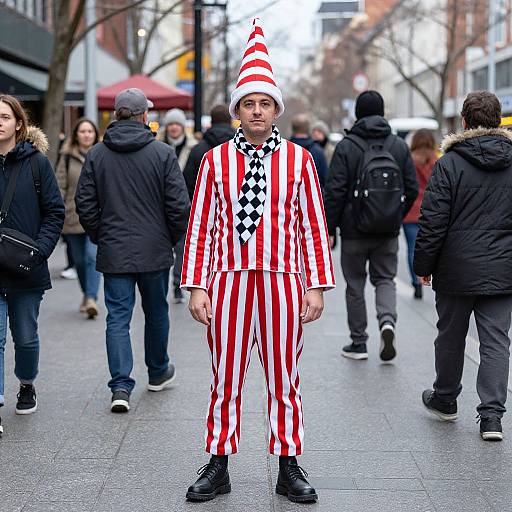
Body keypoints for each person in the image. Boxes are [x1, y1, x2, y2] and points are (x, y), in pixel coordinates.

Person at [182, 19, 335, 504]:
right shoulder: (214, 161)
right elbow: (201, 225)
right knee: (224, 374)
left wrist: (315, 285)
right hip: (227, 281)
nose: (255, 111)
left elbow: (312, 224)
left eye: (264, 103)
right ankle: (218, 462)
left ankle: (288, 463)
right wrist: (198, 285)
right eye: (247, 103)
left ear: (276, 110)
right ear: (237, 111)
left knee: (283, 375)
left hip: (283, 281)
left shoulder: (299, 159)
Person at [75, 88, 190, 413]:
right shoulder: (163, 154)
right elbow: (179, 206)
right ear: (144, 116)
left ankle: (121, 386)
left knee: (118, 318)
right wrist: (169, 238)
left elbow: (85, 203)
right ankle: (157, 371)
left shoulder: (97, 154)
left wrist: (101, 234)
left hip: (114, 249)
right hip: (154, 249)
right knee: (156, 313)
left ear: (116, 115)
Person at [414, 91, 512, 442]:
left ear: (465, 122)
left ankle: (445, 399)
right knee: (497, 341)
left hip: (456, 268)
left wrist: (423, 264)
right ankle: (492, 418)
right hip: (503, 269)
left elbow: (434, 220)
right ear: (499, 121)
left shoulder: (449, 164)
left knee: (451, 337)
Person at [324, 90, 418, 362]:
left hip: (353, 231)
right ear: (382, 112)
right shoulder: (398, 146)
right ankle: (387, 322)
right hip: (387, 230)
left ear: (357, 113)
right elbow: (411, 188)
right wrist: (394, 213)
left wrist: (330, 228)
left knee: (355, 285)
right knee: (385, 279)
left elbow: (335, 192)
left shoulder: (347, 146)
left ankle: (359, 343)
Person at [0, 94, 64, 435]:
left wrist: (39, 251)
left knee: (25, 336)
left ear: (19, 124)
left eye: (5, 117)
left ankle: (27, 382)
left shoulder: (37, 163)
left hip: (26, 267)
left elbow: (55, 211)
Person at [56, 118, 101, 318]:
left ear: (95, 134)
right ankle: (86, 293)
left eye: (90, 131)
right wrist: (59, 212)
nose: (86, 135)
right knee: (80, 262)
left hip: (97, 217)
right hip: (72, 217)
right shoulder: (66, 157)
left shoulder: (102, 155)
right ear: (76, 135)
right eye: (82, 131)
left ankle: (91, 298)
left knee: (92, 257)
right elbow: (60, 187)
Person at [159, 108, 197, 304]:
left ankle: (177, 284)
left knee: (182, 247)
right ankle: (164, 282)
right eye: (171, 124)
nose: (174, 128)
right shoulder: (158, 146)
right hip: (161, 206)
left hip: (185, 205)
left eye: (177, 124)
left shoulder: (193, 147)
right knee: (164, 247)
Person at [402, 129, 437, 300]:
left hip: (410, 211)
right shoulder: (435, 161)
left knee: (412, 248)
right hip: (430, 210)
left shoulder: (409, 160)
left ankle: (416, 282)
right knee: (430, 244)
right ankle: (427, 275)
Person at [183, 104, 235, 201]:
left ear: (211, 122)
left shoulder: (197, 150)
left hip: (203, 205)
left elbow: (188, 184)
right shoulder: (240, 148)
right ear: (230, 121)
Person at [290, 114, 329, 188]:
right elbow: (325, 178)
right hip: (314, 196)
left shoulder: (284, 149)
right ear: (308, 129)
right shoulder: (318, 151)